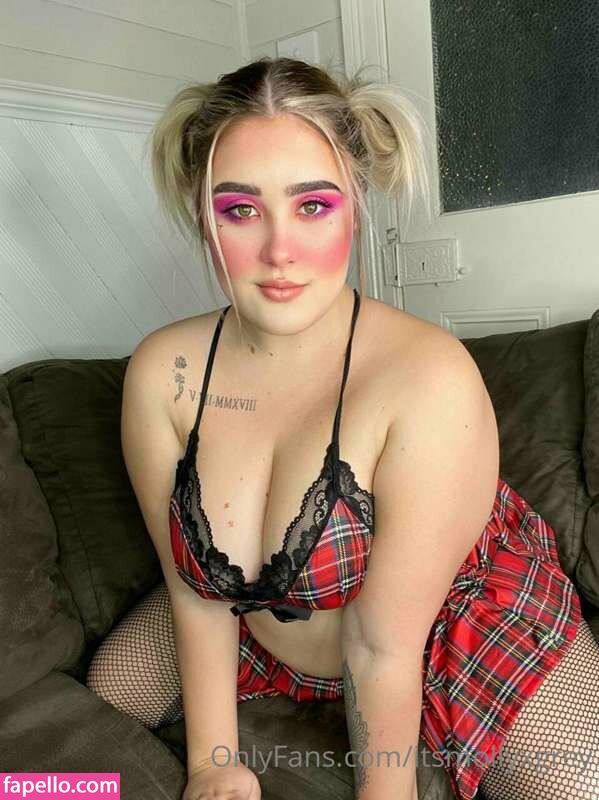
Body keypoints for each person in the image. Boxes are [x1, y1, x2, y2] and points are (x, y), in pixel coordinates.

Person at [85, 56, 599, 800]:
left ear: (355, 205)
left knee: (577, 785)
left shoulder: (427, 376)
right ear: (203, 217)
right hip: (263, 623)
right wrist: (212, 763)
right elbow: (194, 592)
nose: (279, 251)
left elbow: (379, 644)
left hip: (445, 620)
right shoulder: (163, 374)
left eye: (313, 206)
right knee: (89, 724)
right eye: (240, 210)